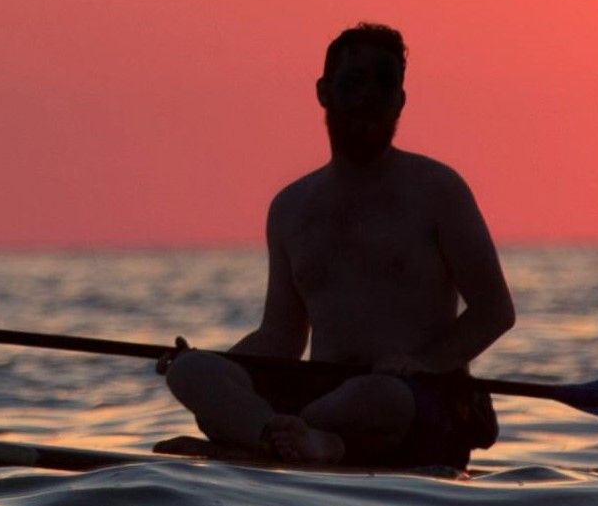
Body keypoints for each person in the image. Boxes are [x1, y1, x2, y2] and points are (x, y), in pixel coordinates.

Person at [161, 23, 517, 467]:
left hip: (407, 398)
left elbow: (494, 311)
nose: (369, 95)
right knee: (192, 372)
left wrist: (424, 362)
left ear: (401, 100)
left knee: (379, 396)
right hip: (319, 393)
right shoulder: (290, 208)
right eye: (354, 82)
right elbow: (282, 337)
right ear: (324, 92)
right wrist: (216, 363)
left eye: (384, 84)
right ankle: (282, 437)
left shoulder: (438, 190)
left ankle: (280, 438)